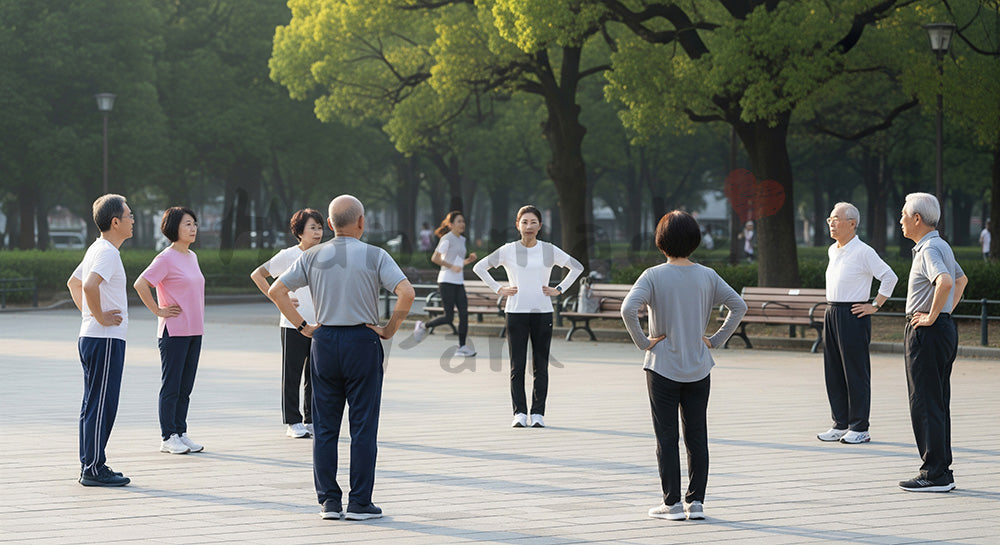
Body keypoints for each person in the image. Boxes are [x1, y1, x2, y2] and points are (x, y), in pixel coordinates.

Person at [268, 195, 414, 521]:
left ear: (330, 225)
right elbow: (407, 293)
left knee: (324, 427)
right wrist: (389, 328)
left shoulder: (312, 255)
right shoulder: (376, 255)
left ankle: (329, 502)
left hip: (325, 339)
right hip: (363, 339)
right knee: (362, 426)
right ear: (362, 222)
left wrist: (303, 326)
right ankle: (360, 502)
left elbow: (276, 290)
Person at [621, 210, 747, 522]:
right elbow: (738, 306)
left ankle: (672, 504)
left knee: (666, 437)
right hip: (699, 366)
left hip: (662, 365)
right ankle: (697, 502)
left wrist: (644, 342)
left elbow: (628, 308)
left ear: (660, 241)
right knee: (697, 435)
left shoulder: (652, 275)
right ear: (694, 240)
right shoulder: (708, 275)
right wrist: (714, 340)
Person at [473, 205, 583, 428]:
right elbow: (479, 267)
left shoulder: (549, 250)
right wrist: (498, 289)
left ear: (540, 226)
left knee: (540, 366)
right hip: (515, 312)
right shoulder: (508, 250)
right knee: (517, 365)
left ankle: (538, 413)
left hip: (543, 313)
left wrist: (559, 289)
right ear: (517, 225)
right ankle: (520, 413)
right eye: (524, 222)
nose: (529, 226)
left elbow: (577, 267)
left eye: (533, 222)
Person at [897, 192, 967, 493]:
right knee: (937, 402)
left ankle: (934, 473)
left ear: (917, 219)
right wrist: (945, 312)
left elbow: (947, 281)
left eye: (903, 215)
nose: (900, 220)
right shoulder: (940, 245)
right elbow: (961, 280)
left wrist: (931, 316)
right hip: (941, 329)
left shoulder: (928, 249)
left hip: (927, 332)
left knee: (925, 403)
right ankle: (941, 470)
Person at [66, 194, 135, 487]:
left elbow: (74, 283)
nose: (133, 219)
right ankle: (94, 468)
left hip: (94, 337)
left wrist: (90, 316)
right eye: (129, 215)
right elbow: (89, 285)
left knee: (93, 403)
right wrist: (100, 317)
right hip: (104, 339)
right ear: (115, 221)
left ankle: (91, 464)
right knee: (101, 404)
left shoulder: (97, 248)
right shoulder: (107, 252)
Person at [817, 202, 897, 445]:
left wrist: (875, 305)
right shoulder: (833, 250)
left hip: (853, 314)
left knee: (855, 372)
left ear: (852, 223)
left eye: (837, 218)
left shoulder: (864, 251)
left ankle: (860, 426)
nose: (831, 222)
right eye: (830, 218)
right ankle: (840, 423)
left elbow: (889, 277)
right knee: (833, 371)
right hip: (831, 311)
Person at [134, 207, 206, 455]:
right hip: (174, 332)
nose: (193, 228)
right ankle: (168, 436)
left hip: (195, 330)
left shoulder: (192, 256)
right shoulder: (165, 258)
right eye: (187, 224)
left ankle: (181, 431)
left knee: (186, 386)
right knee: (172, 385)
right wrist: (158, 309)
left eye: (194, 223)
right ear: (174, 227)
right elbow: (141, 283)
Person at [250, 209, 325, 439]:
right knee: (292, 374)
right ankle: (293, 421)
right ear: (299, 231)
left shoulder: (326, 255)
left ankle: (311, 419)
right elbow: (258, 275)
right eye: (312, 227)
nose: (318, 232)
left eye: (320, 227)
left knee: (316, 374)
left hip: (321, 324)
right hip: (293, 324)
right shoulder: (287, 255)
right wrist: (276, 298)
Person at [412, 211, 478, 356]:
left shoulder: (462, 239)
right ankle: (423, 325)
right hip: (446, 281)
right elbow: (435, 258)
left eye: (463, 221)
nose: (462, 224)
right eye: (459, 221)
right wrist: (451, 266)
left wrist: (468, 261)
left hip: (458, 282)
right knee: (448, 317)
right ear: (451, 224)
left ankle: (462, 347)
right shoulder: (447, 239)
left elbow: (457, 263)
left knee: (464, 314)